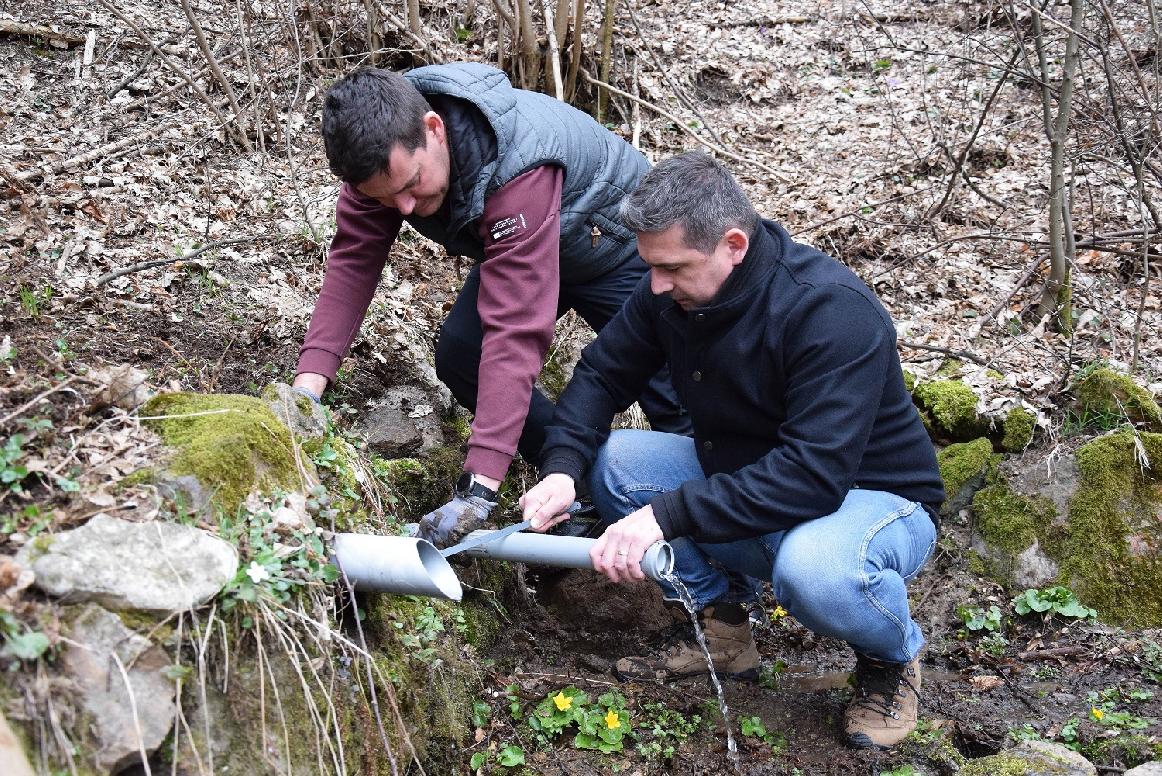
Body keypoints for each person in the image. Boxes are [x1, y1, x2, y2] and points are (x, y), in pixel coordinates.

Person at [519, 152, 945, 749]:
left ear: (734, 245)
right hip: (753, 477)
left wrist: (663, 516)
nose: (657, 285)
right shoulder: (669, 294)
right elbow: (601, 375)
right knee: (612, 464)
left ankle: (892, 658)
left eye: (673, 268)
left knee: (814, 571)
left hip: (873, 500)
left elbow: (812, 475)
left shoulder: (829, 310)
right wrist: (563, 469)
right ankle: (724, 628)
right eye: (650, 267)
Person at [291, 63, 692, 547]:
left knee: (674, 392)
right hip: (520, 246)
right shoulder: (378, 155)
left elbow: (515, 331)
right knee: (464, 353)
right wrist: (306, 389)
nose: (403, 208)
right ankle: (577, 487)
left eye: (411, 185)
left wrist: (479, 486)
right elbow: (354, 262)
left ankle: (705, 551)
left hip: (615, 243)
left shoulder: (518, 164)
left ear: (434, 129)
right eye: (385, 198)